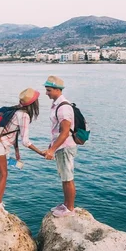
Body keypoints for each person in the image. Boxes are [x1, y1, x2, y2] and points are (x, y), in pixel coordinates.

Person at [43, 76, 78, 217]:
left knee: (68, 177)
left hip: (65, 147)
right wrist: (52, 145)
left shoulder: (63, 108)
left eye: (49, 90)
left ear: (58, 90)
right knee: (64, 177)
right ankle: (66, 204)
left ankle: (69, 208)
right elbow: (57, 131)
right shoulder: (58, 105)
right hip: (60, 146)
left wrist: (52, 149)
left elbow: (64, 133)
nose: (47, 93)